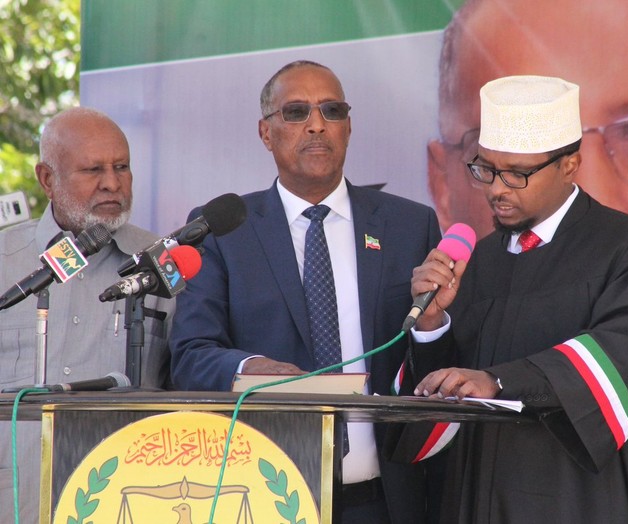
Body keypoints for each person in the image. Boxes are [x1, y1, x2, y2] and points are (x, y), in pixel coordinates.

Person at [169, 61, 443, 524]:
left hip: (385, 499)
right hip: (263, 497)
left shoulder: (409, 225)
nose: (317, 124)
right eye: (296, 112)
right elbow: (191, 354)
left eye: (332, 110)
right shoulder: (222, 230)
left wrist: (435, 327)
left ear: (349, 127)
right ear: (265, 132)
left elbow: (435, 358)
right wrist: (251, 368)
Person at [405, 75, 628, 523]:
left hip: (581, 502)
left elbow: (622, 355)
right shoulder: (479, 260)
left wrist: (497, 382)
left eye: (517, 174)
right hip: (476, 499)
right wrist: (431, 324)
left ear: (570, 164)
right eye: (486, 169)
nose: (497, 188)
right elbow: (447, 392)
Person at [427, 0, 628, 324]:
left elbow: (618, 363)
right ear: (442, 186)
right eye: (500, 164)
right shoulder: (477, 269)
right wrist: (430, 324)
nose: (589, 188)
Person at [0, 107, 175, 522]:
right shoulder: (7, 261)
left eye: (122, 167)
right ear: (47, 179)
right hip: (16, 500)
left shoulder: (160, 264)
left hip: (124, 498)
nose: (112, 183)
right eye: (93, 169)